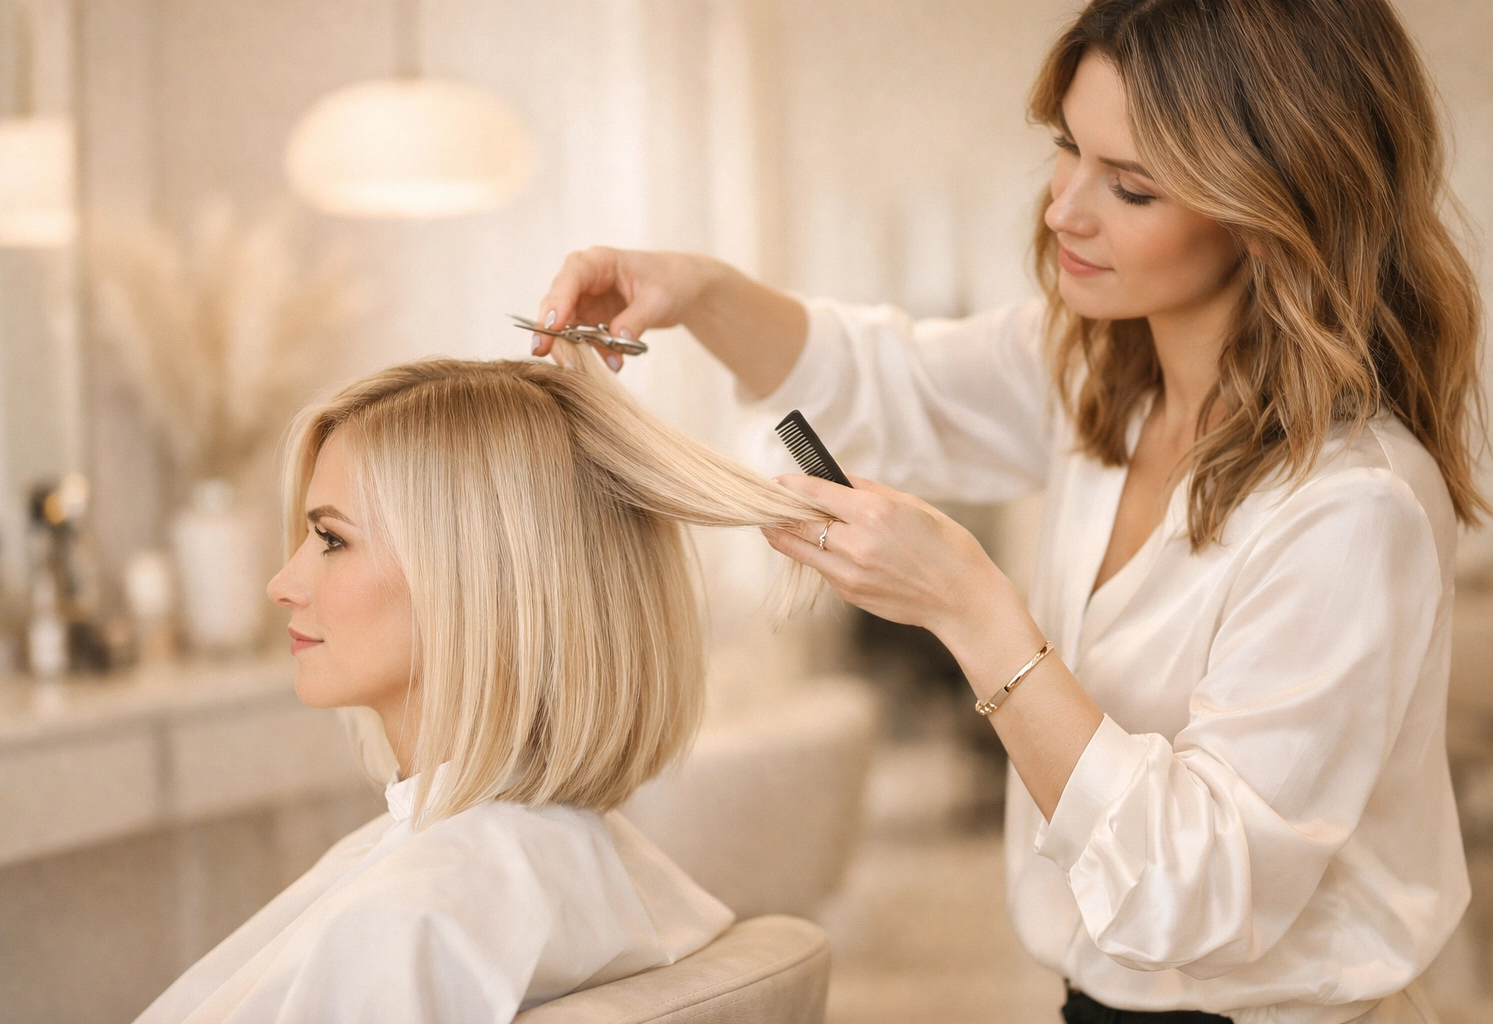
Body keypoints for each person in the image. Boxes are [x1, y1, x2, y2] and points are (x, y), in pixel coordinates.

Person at [532, 1, 1486, 1022]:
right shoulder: (1099, 375)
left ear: (1271, 213)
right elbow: (882, 377)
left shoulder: (1354, 509)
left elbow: (1197, 891)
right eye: (1068, 148)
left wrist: (969, 609)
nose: (1064, 209)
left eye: (1129, 186)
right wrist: (696, 289)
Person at [132, 340, 834, 1024]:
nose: (282, 583)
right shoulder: (609, 881)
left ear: (474, 582)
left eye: (333, 540)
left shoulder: (409, 922)